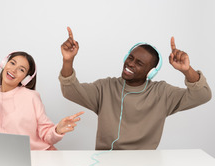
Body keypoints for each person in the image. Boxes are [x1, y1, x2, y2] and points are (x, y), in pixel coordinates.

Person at [59, 27, 212, 150]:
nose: (130, 64)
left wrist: (186, 70)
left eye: (139, 63)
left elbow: (203, 95)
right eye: (130, 58)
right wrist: (68, 60)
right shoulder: (105, 87)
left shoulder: (162, 93)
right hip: (106, 163)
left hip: (145, 164)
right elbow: (70, 91)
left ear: (151, 72)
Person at [0, 51, 84, 150]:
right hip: (7, 160)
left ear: (26, 79)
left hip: (38, 155)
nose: (14, 70)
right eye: (12, 63)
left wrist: (57, 130)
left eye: (21, 69)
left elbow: (46, 135)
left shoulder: (31, 97)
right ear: (4, 64)